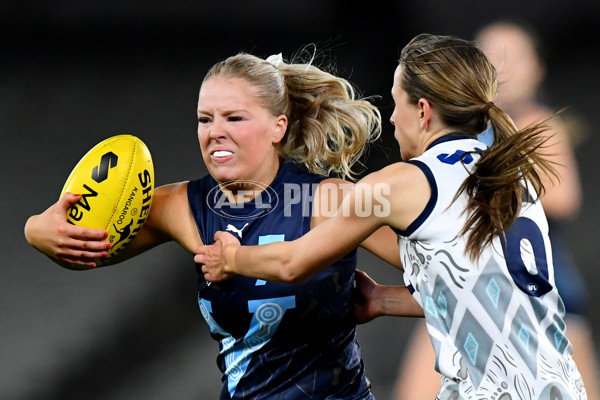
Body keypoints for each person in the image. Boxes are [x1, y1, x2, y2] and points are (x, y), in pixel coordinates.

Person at [196, 33, 589, 399]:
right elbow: (482, 287)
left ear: (422, 110)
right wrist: (384, 300)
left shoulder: (402, 184)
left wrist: (230, 258)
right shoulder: (511, 173)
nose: (392, 120)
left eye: (395, 102)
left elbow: (293, 261)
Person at [24, 50, 403, 399]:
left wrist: (385, 300)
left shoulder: (330, 199)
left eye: (234, 118)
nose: (214, 132)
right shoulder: (181, 206)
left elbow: (450, 271)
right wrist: (35, 231)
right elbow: (87, 249)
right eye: (205, 119)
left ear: (278, 127)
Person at [393, 21, 600, 400]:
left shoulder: (537, 122)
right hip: (469, 282)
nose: (501, 68)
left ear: (537, 68)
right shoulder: (463, 133)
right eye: (490, 55)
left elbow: (564, 197)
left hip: (538, 286)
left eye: (512, 57)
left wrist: (484, 185)